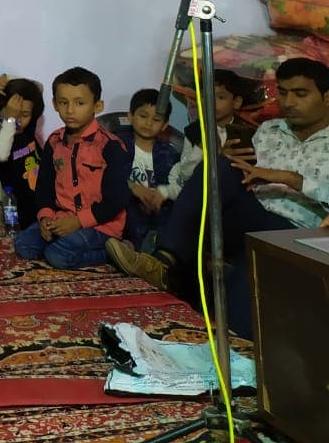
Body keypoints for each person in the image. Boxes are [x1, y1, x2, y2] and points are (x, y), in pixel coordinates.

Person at [108, 58, 329, 338]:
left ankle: (169, 268)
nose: (289, 102)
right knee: (218, 166)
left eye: (300, 94)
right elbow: (239, 175)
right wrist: (229, 162)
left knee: (242, 319)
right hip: (249, 218)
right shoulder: (268, 131)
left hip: (297, 233)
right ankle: (163, 260)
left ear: (326, 97)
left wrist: (288, 178)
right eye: (283, 93)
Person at [14, 67, 131, 268]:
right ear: (54, 104)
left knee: (58, 255)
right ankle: (63, 244)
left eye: (79, 103)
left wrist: (78, 221)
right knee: (23, 245)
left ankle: (118, 250)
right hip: (62, 219)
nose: (70, 110)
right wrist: (45, 217)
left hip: (101, 225)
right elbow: (44, 187)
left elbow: (116, 200)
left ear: (98, 106)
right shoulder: (54, 142)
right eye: (63, 102)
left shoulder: (110, 146)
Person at [163, 68, 249, 201]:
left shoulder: (245, 133)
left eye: (221, 97)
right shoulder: (194, 131)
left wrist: (223, 160)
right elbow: (185, 173)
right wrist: (202, 147)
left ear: (236, 102)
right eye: (206, 96)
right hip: (202, 196)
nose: (211, 102)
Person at [117, 89, 180, 252]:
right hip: (127, 206)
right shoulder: (117, 146)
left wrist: (161, 195)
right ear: (130, 116)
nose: (149, 123)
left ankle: (160, 250)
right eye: (143, 116)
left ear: (164, 124)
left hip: (157, 209)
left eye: (156, 119)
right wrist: (132, 187)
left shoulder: (169, 154)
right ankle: (129, 245)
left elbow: (177, 183)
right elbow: (107, 176)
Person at [0, 77, 47, 232]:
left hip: (40, 198)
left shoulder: (28, 129)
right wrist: (9, 120)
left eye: (24, 114)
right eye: (14, 113)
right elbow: (0, 155)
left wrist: (7, 83)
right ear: (1, 108)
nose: (18, 121)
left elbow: (38, 88)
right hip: (14, 205)